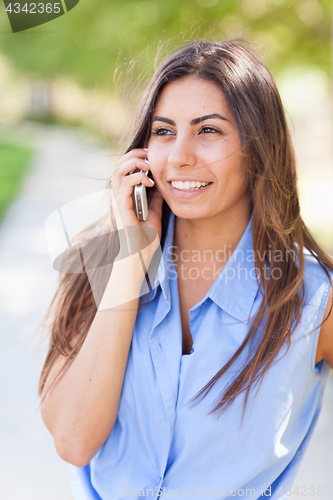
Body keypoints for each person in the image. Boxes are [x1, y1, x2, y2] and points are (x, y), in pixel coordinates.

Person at [38, 40, 333, 500]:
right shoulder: (97, 255)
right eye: (163, 131)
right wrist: (128, 265)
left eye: (209, 131)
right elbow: (75, 440)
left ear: (258, 147)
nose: (179, 156)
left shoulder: (314, 297)